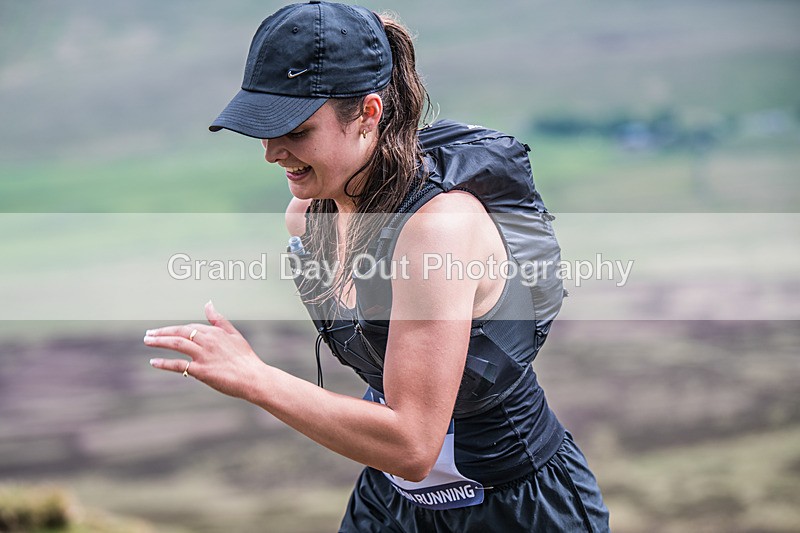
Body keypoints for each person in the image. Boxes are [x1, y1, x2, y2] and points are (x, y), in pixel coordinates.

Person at [145, 1, 610, 531]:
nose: (272, 152)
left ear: (368, 114)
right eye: (262, 129)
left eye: (296, 130)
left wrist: (254, 378)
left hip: (518, 508)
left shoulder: (437, 229)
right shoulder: (307, 218)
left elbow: (413, 443)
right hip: (392, 503)